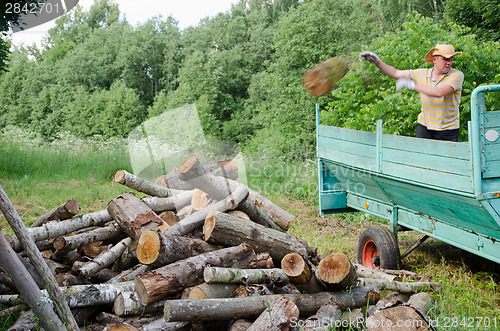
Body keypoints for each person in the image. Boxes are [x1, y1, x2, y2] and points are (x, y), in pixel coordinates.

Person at [360, 44, 464, 142]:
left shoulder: (457, 75)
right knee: (420, 159)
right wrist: (378, 62)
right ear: (434, 60)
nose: (449, 63)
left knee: (445, 161)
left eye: (451, 59)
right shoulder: (421, 73)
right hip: (425, 126)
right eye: (445, 59)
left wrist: (412, 85)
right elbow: (395, 73)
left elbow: (440, 92)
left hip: (448, 130)